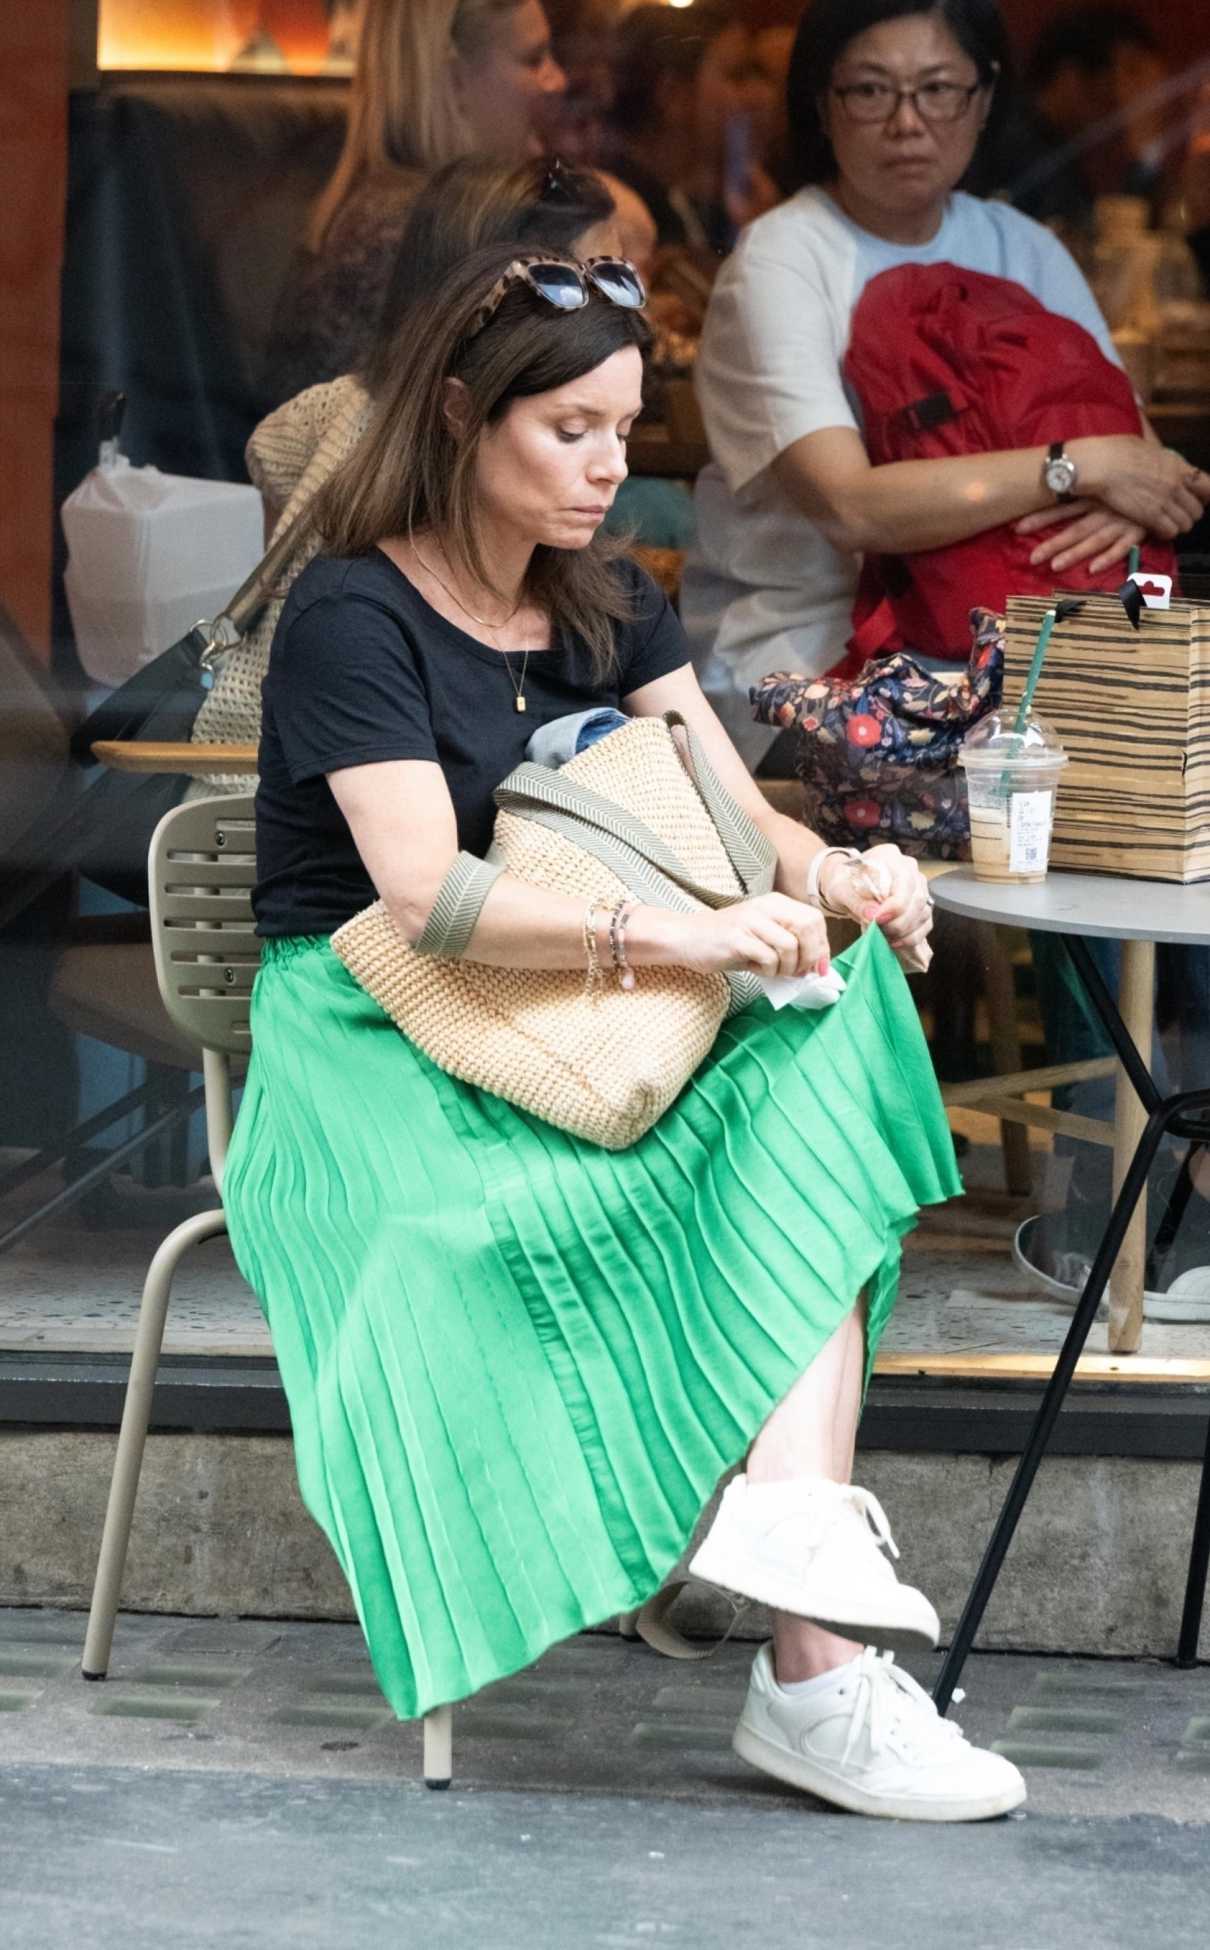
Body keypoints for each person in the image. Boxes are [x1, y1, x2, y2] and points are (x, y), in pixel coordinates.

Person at [221, 238, 1025, 1821]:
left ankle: (798, 1582)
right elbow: (421, 897)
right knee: (707, 1153)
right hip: (370, 1031)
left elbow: (739, 830)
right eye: (568, 430)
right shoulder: (350, 614)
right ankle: (816, 1656)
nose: (607, 468)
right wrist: (676, 932)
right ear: (463, 414)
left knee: (838, 1010)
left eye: (621, 431)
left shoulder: (603, 602)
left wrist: (849, 871)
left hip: (592, 1011)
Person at [678, 0, 1210, 769]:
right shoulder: (782, 260)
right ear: (822, 106)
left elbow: (1150, 470)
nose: (907, 121)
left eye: (938, 88)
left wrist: (1122, 477)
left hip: (1023, 663)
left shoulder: (1020, 247)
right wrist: (1073, 469)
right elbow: (853, 506)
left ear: (984, 99)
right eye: (870, 90)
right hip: (813, 672)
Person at [192, 154, 624, 779]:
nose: (616, 302)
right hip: (283, 802)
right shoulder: (392, 456)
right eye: (588, 277)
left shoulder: (331, 411)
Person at [262, 0, 567, 405]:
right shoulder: (420, 230)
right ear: (455, 81)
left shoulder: (398, 209)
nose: (557, 80)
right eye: (534, 60)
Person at [604, 3, 779, 255]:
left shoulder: (688, 201)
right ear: (673, 94)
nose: (753, 95)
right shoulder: (629, 215)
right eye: (736, 76)